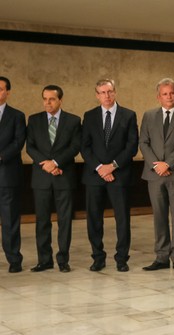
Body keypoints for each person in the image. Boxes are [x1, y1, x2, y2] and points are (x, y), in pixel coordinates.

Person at [81, 79, 139, 272]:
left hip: (119, 175)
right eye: (102, 92)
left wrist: (112, 166)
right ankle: (98, 257)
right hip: (94, 175)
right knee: (94, 218)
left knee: (122, 218)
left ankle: (122, 258)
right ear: (97, 95)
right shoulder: (89, 116)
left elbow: (131, 146)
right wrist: (100, 168)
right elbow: (85, 146)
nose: (106, 95)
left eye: (110, 92)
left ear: (115, 92)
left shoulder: (128, 115)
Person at [140, 78, 174, 273]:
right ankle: (161, 257)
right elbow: (143, 143)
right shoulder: (149, 115)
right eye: (165, 93)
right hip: (154, 175)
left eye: (172, 93)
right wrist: (157, 165)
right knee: (159, 216)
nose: (169, 96)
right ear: (158, 96)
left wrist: (168, 164)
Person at [26, 85, 81, 273]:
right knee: (42, 220)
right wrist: (47, 164)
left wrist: (56, 163)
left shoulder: (73, 121)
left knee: (64, 220)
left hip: (64, 177)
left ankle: (63, 260)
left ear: (60, 100)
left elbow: (75, 147)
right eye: (45, 99)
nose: (47, 102)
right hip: (41, 178)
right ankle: (44, 260)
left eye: (51, 99)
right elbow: (30, 147)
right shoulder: (33, 120)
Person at [0, 76, 26, 273]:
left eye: (1, 89)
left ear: (7, 92)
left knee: (10, 219)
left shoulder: (17, 115)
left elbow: (18, 142)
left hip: (7, 174)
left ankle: (14, 259)